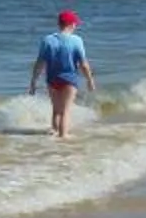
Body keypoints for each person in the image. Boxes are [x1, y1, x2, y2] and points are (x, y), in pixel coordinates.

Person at [27, 9, 96, 139]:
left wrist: (33, 81)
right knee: (66, 111)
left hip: (52, 79)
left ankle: (54, 134)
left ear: (59, 24)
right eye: (75, 23)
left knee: (56, 110)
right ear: (71, 24)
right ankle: (63, 138)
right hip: (69, 79)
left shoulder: (47, 40)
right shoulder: (76, 40)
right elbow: (83, 64)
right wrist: (90, 80)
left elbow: (39, 63)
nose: (76, 26)